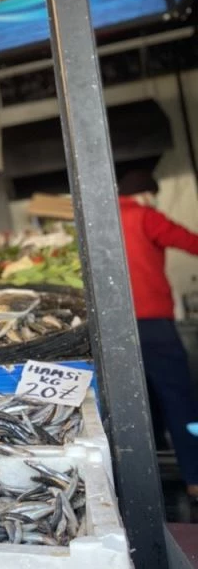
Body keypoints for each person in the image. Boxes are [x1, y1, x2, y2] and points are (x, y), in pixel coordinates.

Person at [117, 162, 198, 502]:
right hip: (153, 325)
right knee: (180, 399)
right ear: (147, 195)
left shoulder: (103, 219)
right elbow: (190, 241)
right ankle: (196, 477)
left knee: (138, 403)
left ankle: (142, 485)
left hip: (116, 329)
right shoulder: (146, 217)